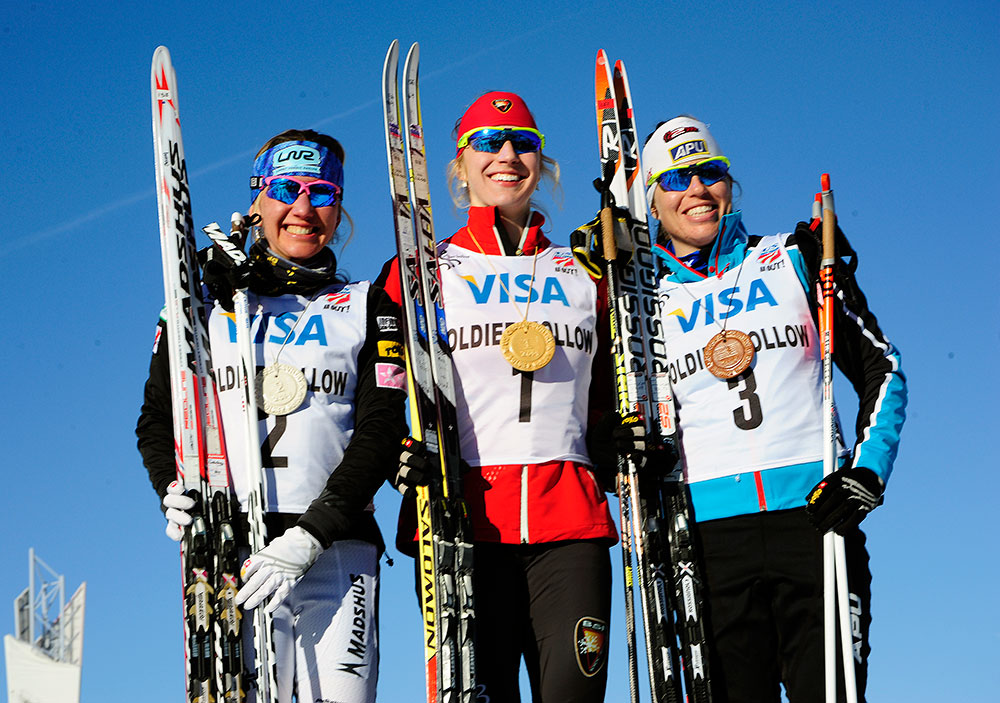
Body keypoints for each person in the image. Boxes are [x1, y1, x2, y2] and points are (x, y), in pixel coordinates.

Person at [640, 116, 907, 701]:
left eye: (711, 173)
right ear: (650, 197)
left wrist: (864, 472)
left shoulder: (792, 256)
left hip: (813, 518)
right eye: (677, 178)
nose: (698, 190)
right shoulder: (641, 301)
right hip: (708, 540)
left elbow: (881, 367)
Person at [136, 129, 408, 703]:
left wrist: (315, 532)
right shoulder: (202, 302)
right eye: (286, 189)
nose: (303, 209)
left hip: (338, 548)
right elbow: (159, 418)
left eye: (323, 193)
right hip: (234, 544)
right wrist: (170, 484)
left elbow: (381, 428)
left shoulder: (365, 304)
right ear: (257, 199)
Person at [382, 92, 620, 703]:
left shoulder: (585, 273)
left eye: (523, 143)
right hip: (461, 519)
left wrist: (620, 442)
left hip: (570, 522)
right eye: (488, 142)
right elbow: (380, 393)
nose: (507, 155)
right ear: (459, 167)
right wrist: (397, 456)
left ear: (542, 163)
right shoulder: (421, 271)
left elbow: (614, 388)